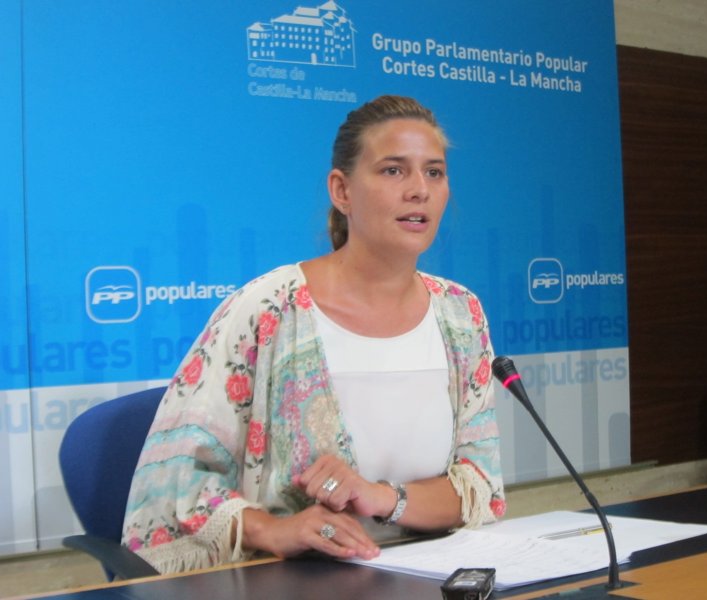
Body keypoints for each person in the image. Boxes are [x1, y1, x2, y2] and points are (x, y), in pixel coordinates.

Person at [121, 95, 505, 574]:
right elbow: (175, 485)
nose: (419, 190)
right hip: (291, 579)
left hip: (432, 577)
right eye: (393, 170)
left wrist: (380, 497)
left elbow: (477, 485)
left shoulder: (461, 313)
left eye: (434, 172)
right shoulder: (269, 309)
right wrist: (274, 530)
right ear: (342, 191)